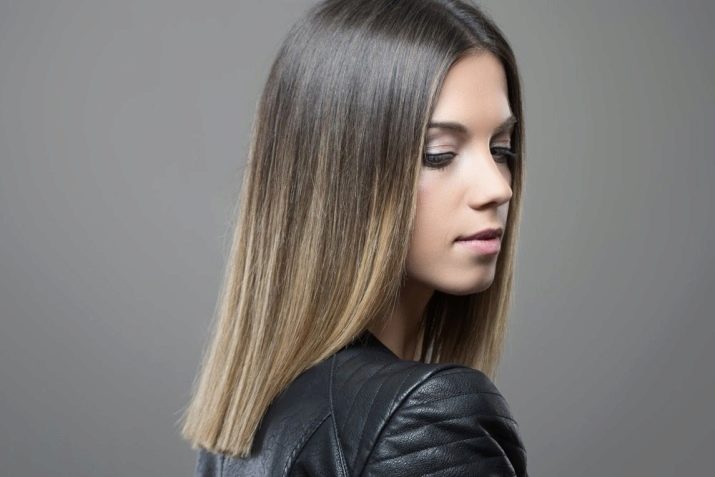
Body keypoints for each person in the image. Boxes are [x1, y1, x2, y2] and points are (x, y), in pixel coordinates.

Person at [179, 0, 528, 475]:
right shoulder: (426, 418)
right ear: (343, 179)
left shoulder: (236, 434)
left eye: (502, 148)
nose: (499, 188)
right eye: (440, 154)